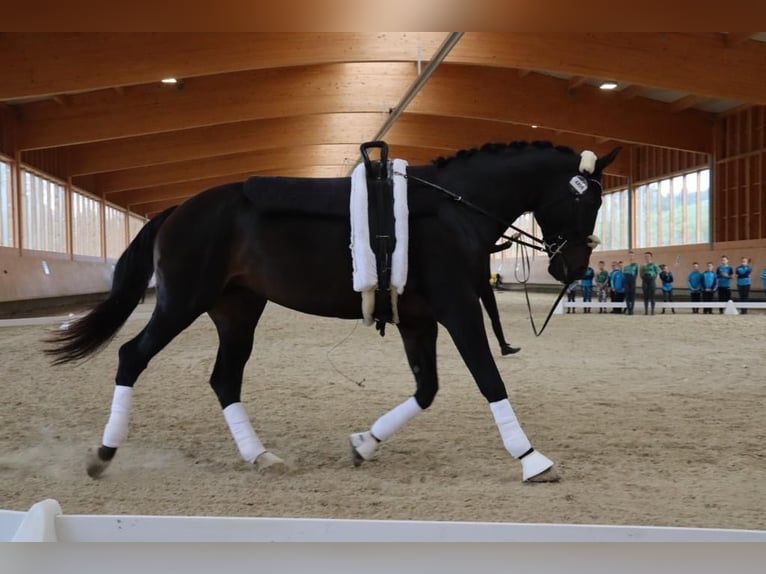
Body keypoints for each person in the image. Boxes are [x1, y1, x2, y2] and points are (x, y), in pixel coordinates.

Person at [640, 251, 661, 315]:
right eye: (645, 256)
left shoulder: (654, 264)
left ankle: (652, 310)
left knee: (652, 296)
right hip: (645, 280)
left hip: (651, 279)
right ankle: (646, 311)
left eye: (648, 256)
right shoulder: (643, 265)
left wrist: (655, 279)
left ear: (651, 257)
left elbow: (658, 272)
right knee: (645, 296)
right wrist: (643, 278)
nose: (646, 257)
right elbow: (641, 273)